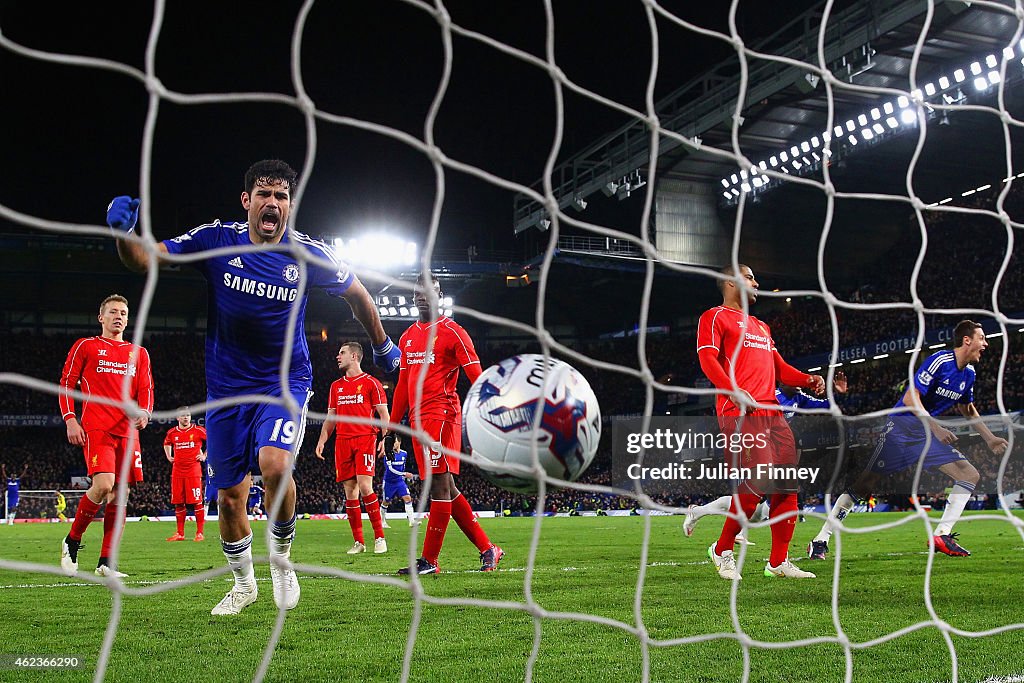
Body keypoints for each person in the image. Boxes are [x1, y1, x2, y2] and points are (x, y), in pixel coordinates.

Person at [108, 159, 400, 615]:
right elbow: (147, 259)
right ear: (247, 201)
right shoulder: (216, 240)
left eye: (281, 196)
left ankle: (282, 560)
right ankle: (244, 583)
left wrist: (383, 346)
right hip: (226, 390)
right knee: (229, 498)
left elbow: (358, 293)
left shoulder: (306, 252)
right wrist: (125, 235)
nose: (272, 203)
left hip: (284, 382)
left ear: (290, 205)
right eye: (264, 194)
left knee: (275, 465)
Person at [808, 320, 1007, 559]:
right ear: (967, 340)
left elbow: (968, 409)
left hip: (924, 434)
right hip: (901, 430)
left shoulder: (970, 374)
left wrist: (990, 439)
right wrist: (936, 428)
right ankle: (820, 539)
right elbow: (911, 399)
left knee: (969, 474)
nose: (985, 344)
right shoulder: (940, 361)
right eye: (982, 338)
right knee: (864, 485)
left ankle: (942, 535)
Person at [696, 264, 824, 580]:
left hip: (773, 413)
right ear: (730, 282)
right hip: (740, 412)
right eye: (750, 276)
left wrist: (809, 380)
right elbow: (708, 358)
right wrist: (732, 390)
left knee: (787, 488)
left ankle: (778, 562)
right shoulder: (713, 317)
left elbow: (780, 369)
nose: (757, 282)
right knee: (756, 482)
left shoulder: (761, 326)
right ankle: (722, 549)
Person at [389, 273, 502, 575]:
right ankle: (488, 548)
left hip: (442, 414)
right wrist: (391, 427)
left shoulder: (454, 332)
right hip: (415, 420)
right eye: (418, 291)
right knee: (447, 488)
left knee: (438, 483)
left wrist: (490, 408)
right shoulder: (407, 337)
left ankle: (429, 560)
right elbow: (402, 386)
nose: (422, 295)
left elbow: (476, 374)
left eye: (430, 291)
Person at [682, 373, 848, 541]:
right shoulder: (771, 397)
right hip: (755, 444)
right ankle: (729, 529)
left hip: (775, 451)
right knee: (755, 495)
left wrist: (837, 392)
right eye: (794, 380)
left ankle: (699, 513)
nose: (799, 384)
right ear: (783, 383)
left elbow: (824, 406)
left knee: (758, 512)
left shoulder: (799, 397)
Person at [58, 294, 154, 578]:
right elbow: (67, 383)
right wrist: (70, 419)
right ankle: (72, 540)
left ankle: (106, 562)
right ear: (101, 317)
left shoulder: (140, 353)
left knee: (119, 494)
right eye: (113, 312)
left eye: (123, 312)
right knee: (104, 485)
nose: (119, 317)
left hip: (127, 431)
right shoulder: (86, 346)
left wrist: (146, 412)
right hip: (97, 426)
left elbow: (146, 389)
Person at [314, 342, 390, 554]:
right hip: (342, 441)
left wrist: (386, 438)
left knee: (366, 486)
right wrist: (322, 440)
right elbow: (331, 418)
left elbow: (384, 415)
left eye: (342, 353)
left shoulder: (371, 383)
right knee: (350, 491)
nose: (338, 356)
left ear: (355, 356)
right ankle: (359, 542)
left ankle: (379, 538)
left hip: (365, 438)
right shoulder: (335, 386)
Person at [163, 407, 208, 542]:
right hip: (177, 471)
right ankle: (180, 533)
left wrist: (204, 455)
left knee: (197, 501)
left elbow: (212, 441)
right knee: (178, 502)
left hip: (193, 471)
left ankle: (199, 533)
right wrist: (169, 456)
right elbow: (166, 443)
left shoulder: (198, 430)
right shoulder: (172, 432)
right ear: (178, 418)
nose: (186, 418)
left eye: (188, 415)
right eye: (183, 416)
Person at [381, 434, 419, 527]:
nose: (394, 444)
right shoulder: (388, 454)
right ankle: (382, 522)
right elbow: (390, 469)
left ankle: (411, 521)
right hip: (389, 482)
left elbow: (403, 466)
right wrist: (404, 474)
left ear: (399, 442)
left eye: (395, 442)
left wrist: (402, 476)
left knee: (408, 498)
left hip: (399, 482)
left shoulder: (404, 454)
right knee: (386, 502)